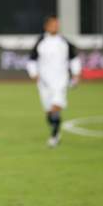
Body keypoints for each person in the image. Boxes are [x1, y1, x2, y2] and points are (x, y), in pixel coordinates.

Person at [26, 15, 81, 148]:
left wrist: (76, 74)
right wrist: (34, 74)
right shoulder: (40, 41)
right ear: (46, 26)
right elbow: (32, 60)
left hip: (61, 81)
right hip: (44, 82)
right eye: (52, 24)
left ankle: (54, 137)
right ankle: (55, 130)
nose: (55, 26)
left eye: (57, 24)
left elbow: (74, 59)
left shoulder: (64, 42)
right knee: (49, 112)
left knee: (56, 107)